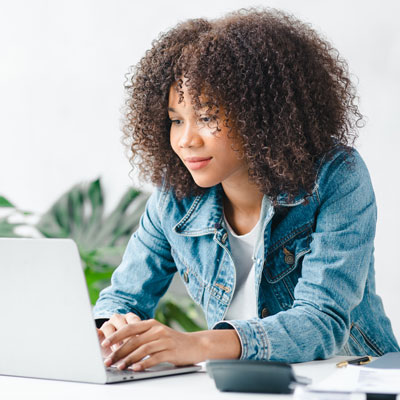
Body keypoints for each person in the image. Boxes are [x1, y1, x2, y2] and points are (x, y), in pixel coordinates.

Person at [93, 8, 399, 371]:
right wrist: (112, 328)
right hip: (243, 386)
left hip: (351, 378)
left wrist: (196, 344)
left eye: (207, 117)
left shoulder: (337, 177)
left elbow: (322, 320)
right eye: (176, 120)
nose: (186, 140)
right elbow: (123, 298)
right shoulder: (174, 195)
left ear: (261, 115)